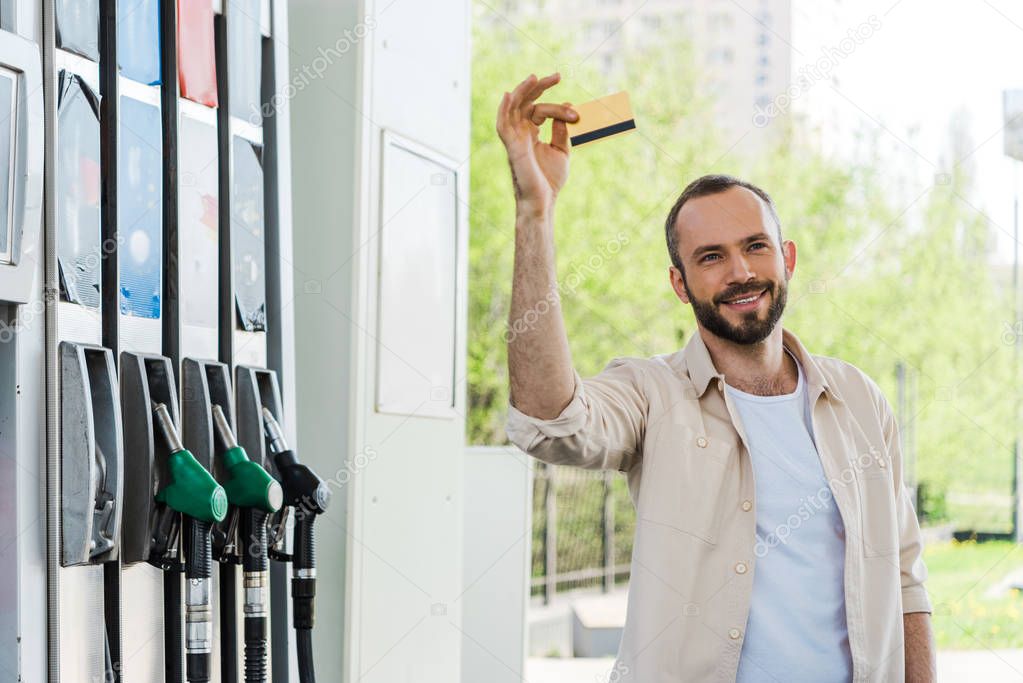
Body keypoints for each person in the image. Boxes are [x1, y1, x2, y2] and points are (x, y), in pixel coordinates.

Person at [497, 72, 936, 682]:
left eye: (756, 246)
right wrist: (534, 213)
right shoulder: (651, 394)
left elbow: (906, 579)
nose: (740, 272)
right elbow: (548, 420)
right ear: (680, 285)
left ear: (787, 258)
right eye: (711, 257)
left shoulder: (859, 399)